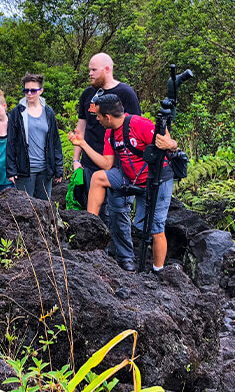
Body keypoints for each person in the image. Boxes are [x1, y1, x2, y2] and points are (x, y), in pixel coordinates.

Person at [68, 93, 178, 273]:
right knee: (99, 177)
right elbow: (107, 164)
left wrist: (169, 144)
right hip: (129, 176)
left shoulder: (140, 124)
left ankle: (159, 271)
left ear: (108, 117)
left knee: (154, 229)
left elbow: (172, 144)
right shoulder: (110, 132)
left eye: (98, 116)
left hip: (156, 180)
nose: (97, 119)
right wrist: (83, 144)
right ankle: (90, 225)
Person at [74, 53, 142, 263]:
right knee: (95, 211)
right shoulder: (87, 94)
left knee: (118, 212)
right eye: (89, 69)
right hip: (90, 162)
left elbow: (136, 126)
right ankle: (97, 256)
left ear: (107, 69)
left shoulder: (125, 93)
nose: (90, 73)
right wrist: (76, 160)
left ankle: (123, 258)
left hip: (119, 165)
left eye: (93, 69)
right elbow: (81, 126)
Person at [9, 73, 64, 200]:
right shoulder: (18, 112)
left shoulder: (48, 112)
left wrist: (58, 167)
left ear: (41, 91)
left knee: (44, 206)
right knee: (25, 206)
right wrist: (11, 170)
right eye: (26, 90)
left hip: (45, 170)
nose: (29, 94)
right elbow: (11, 142)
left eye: (33, 91)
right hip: (24, 170)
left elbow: (55, 141)